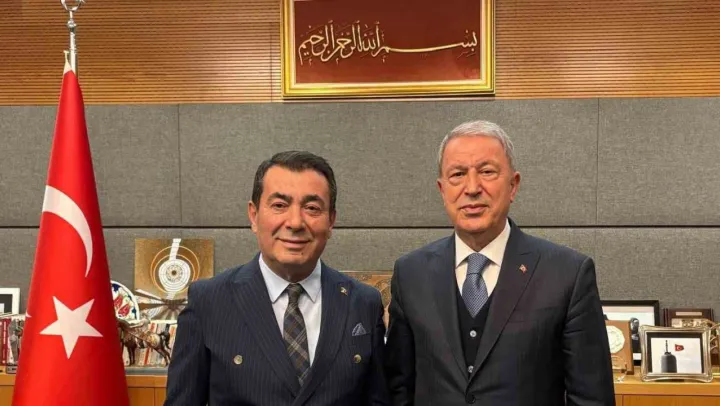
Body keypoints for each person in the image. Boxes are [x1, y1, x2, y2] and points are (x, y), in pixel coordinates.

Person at [384, 121, 614, 405]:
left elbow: (592, 398)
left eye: (487, 172)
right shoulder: (410, 274)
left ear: (513, 185)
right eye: (458, 174)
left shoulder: (568, 274)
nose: (472, 188)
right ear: (442, 190)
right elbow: (398, 389)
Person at [166, 151, 389, 406]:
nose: (295, 222)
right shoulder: (209, 302)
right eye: (280, 205)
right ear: (253, 215)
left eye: (312, 208)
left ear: (331, 221)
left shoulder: (363, 303)